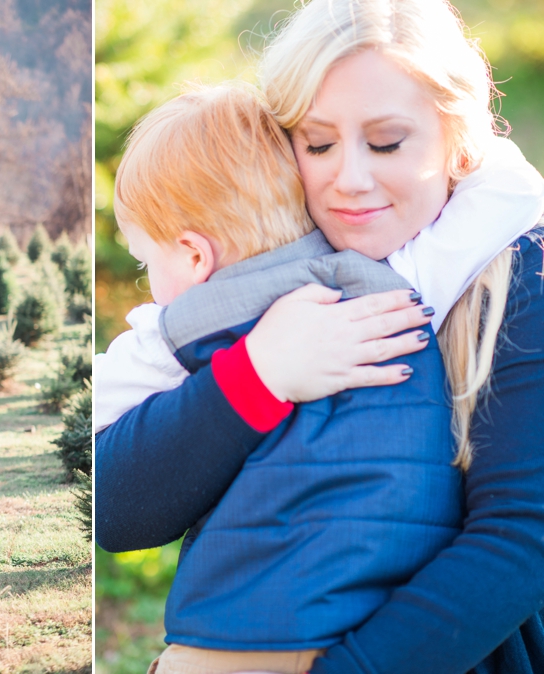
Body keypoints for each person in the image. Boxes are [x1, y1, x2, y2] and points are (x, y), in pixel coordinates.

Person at [95, 1, 544, 673]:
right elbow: (121, 514)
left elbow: (521, 541)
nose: (351, 180)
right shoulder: (252, 291)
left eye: (388, 143)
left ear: (456, 140)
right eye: (318, 143)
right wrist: (257, 374)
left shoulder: (515, 273)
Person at [94, 85, 542, 433]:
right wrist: (463, 143)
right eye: (320, 144)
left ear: (195, 255)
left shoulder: (173, 335)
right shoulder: (372, 284)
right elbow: (512, 191)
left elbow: (96, 407)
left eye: (143, 262)